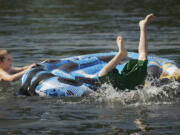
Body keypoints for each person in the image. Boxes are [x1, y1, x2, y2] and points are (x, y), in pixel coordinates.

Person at [98, 13, 155, 90]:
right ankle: (142, 27)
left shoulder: (120, 82)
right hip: (134, 83)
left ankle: (121, 53)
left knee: (102, 75)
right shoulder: (138, 80)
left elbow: (143, 53)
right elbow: (143, 52)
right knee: (101, 75)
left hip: (122, 85)